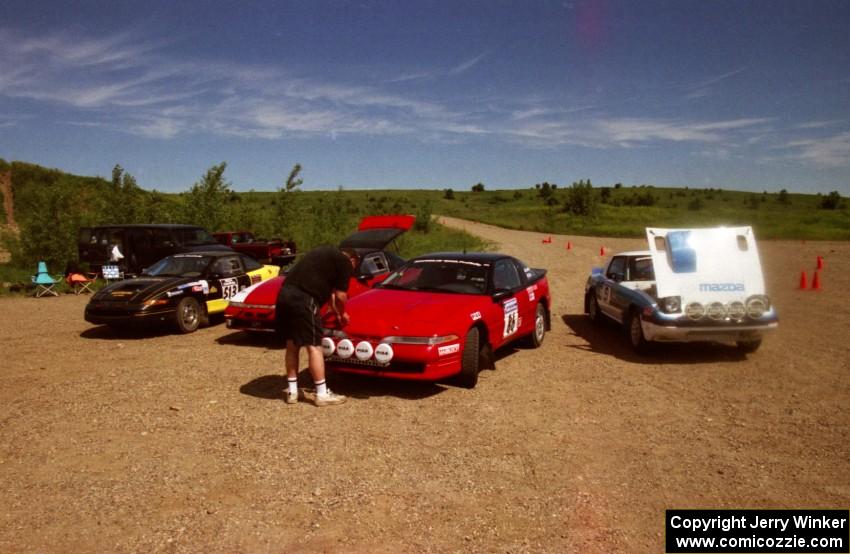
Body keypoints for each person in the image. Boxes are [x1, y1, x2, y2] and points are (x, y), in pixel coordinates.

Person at [276, 245, 358, 407]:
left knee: (292, 344)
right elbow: (341, 296)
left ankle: (292, 391)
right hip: (304, 299)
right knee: (314, 346)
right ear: (353, 260)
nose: (351, 271)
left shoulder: (323, 256)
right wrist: (343, 314)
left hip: (284, 295)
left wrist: (336, 312)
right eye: (354, 267)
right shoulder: (344, 262)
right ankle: (322, 394)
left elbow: (332, 297)